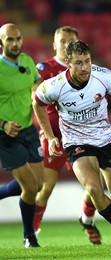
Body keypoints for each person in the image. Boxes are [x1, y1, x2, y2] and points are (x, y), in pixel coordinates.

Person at [32, 40, 111, 252]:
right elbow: (37, 103)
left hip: (105, 140)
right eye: (79, 63)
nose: (84, 67)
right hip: (76, 143)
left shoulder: (102, 76)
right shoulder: (55, 85)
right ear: (68, 63)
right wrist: (51, 136)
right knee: (94, 189)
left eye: (87, 61)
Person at [34, 26, 103, 244]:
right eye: (61, 41)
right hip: (54, 136)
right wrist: (47, 135)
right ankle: (32, 232)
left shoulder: (86, 69)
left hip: (80, 135)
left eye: (69, 41)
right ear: (54, 44)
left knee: (96, 184)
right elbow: (35, 102)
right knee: (46, 188)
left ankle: (87, 219)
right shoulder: (44, 69)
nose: (65, 45)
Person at [0, 23, 44, 248]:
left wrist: (37, 90)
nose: (15, 43)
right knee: (29, 187)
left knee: (38, 184)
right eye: (10, 40)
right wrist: (4, 124)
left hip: (28, 130)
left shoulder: (27, 61)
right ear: (1, 43)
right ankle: (29, 235)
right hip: (5, 135)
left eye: (18, 39)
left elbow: (35, 81)